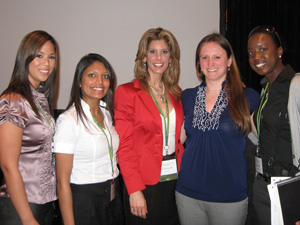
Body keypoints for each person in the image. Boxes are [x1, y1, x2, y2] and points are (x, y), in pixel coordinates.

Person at [175, 33, 260, 225]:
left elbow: (265, 138)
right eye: (204, 57)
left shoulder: (248, 97)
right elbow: (178, 138)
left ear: (229, 61)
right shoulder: (187, 97)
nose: (210, 62)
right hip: (188, 194)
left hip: (229, 198)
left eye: (217, 57)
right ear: (199, 62)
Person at [114, 27, 184, 225]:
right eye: (153, 51)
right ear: (144, 57)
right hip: (143, 182)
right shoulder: (127, 93)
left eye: (164, 52)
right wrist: (134, 189)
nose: (158, 57)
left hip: (174, 179)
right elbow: (124, 145)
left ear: (171, 58)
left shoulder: (176, 93)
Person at [53, 53, 124, 225]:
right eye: (92, 75)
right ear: (79, 80)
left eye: (105, 76)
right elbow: (62, 182)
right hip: (85, 200)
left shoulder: (107, 115)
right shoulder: (68, 120)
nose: (99, 82)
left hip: (112, 195)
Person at [247, 25, 300, 225]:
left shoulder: (298, 85)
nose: (256, 56)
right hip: (264, 186)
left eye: (263, 49)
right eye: (251, 52)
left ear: (279, 51)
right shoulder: (266, 91)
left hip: (291, 188)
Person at [0, 30, 58, 225]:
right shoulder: (13, 100)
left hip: (44, 201)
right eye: (39, 56)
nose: (46, 63)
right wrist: (26, 218)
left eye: (51, 57)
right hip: (21, 205)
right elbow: (8, 165)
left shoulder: (39, 98)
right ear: (25, 57)